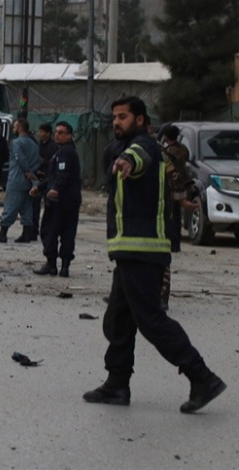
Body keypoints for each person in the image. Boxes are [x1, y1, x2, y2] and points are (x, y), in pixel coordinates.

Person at [83, 96, 225, 414]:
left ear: (141, 120)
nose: (117, 121)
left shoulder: (143, 146)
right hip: (130, 249)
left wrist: (126, 163)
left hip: (142, 249)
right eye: (115, 117)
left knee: (151, 320)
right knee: (118, 318)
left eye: (123, 116)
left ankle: (202, 377)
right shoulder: (129, 147)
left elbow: (138, 157)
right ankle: (116, 384)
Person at [30, 122, 81, 277]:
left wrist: (55, 190)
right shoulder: (66, 151)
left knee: (49, 231)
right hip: (70, 200)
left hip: (60, 201)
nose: (57, 135)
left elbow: (62, 175)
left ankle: (52, 264)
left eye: (61, 132)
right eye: (56, 132)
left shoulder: (64, 153)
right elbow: (53, 177)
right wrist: (40, 187)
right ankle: (65, 266)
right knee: (68, 232)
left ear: (69, 135)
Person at [160, 125, 199, 310]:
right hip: (172, 203)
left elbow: (175, 177)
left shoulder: (166, 154)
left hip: (166, 204)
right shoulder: (182, 151)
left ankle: (160, 296)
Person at [0, 118, 39, 243]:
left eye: (14, 127)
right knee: (27, 207)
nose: (13, 129)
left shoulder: (16, 143)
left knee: (10, 206)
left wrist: (26, 170)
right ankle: (26, 234)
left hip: (17, 179)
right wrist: (32, 175)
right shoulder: (34, 144)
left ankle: (3, 233)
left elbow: (19, 158)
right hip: (30, 181)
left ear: (19, 128)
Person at [31, 123, 58, 240]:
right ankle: (34, 229)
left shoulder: (53, 147)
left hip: (48, 180)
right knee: (35, 205)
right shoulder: (38, 145)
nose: (40, 134)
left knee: (49, 205)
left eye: (42, 132)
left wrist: (44, 164)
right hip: (38, 179)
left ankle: (49, 229)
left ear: (48, 133)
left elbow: (53, 163)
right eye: (39, 132)